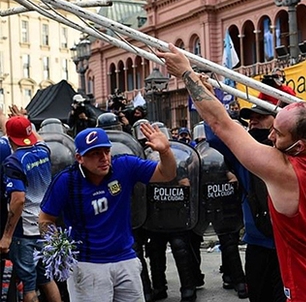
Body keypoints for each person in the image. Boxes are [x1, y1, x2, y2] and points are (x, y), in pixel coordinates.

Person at [158, 44, 306, 301]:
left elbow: (220, 123)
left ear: (299, 145)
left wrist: (186, 74)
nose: (270, 136)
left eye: (278, 133)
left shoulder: (286, 171)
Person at [38, 125, 177, 302]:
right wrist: (58, 247)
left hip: (125, 259)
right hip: (87, 265)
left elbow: (167, 174)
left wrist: (165, 151)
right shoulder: (67, 181)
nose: (104, 158)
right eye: (95, 153)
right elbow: (45, 218)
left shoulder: (124, 165)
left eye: (106, 151)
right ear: (79, 157)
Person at [205, 104, 284, 301]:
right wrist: (205, 95)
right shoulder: (244, 155)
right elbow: (216, 133)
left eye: (261, 116)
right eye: (251, 118)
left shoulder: (294, 153)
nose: (254, 121)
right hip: (258, 243)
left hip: (289, 246)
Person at [1, 115, 61, 302]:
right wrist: (24, 119)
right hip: (45, 227)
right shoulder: (43, 150)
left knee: (29, 286)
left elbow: (18, 200)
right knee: (47, 278)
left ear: (9, 139)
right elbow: (35, 136)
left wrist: (7, 236)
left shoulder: (13, 162)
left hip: (24, 233)